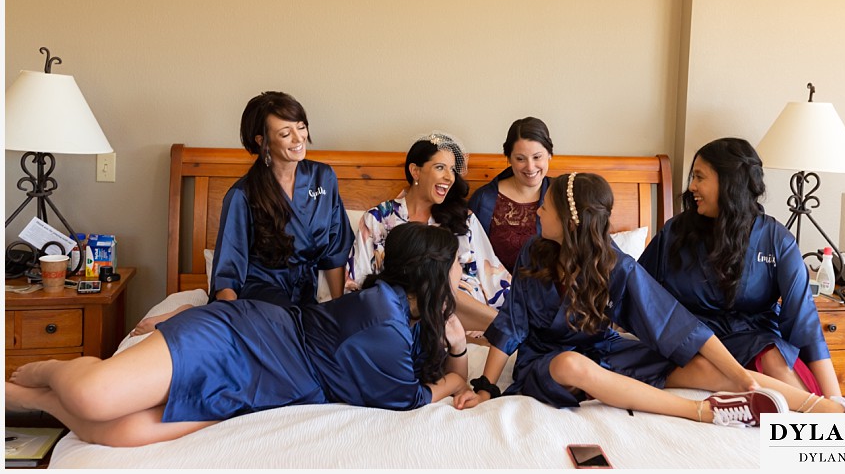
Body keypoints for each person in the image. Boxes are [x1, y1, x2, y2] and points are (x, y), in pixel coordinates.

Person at [6, 223, 472, 447]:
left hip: (270, 385)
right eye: (456, 265)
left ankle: (37, 399)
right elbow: (411, 397)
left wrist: (456, 347)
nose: (462, 274)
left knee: (120, 432)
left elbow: (442, 371)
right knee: (95, 398)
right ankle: (51, 369)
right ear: (431, 274)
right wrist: (453, 381)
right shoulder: (384, 317)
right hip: (243, 337)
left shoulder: (407, 315)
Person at [454, 173, 845, 425]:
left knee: (704, 369)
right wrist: (488, 384)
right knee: (570, 363)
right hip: (548, 364)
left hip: (608, 354)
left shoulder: (618, 268)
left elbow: (680, 326)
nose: (537, 212)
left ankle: (821, 409)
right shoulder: (533, 253)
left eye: (545, 207)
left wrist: (744, 379)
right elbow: (512, 325)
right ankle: (702, 412)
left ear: (570, 220)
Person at [638, 137, 845, 411]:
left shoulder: (777, 240)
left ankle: (829, 418)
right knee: (702, 363)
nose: (691, 186)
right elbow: (637, 293)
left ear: (730, 183)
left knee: (775, 358)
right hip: (695, 342)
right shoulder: (675, 233)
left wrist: (835, 395)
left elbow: (804, 323)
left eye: (699, 177)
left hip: (755, 338)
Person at [131, 91, 354, 335]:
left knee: (324, 332)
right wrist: (223, 309)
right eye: (284, 133)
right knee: (287, 331)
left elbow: (335, 250)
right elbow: (229, 269)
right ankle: (191, 314)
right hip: (262, 289)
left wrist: (337, 308)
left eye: (301, 127)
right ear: (262, 141)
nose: (298, 138)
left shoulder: (324, 177)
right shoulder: (243, 195)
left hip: (303, 292)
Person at [348, 131, 511, 333]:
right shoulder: (377, 220)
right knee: (435, 289)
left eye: (452, 169)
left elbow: (493, 275)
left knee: (449, 292)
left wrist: (515, 311)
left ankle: (503, 328)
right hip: (408, 313)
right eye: (440, 167)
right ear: (415, 171)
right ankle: (505, 329)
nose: (449, 177)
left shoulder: (464, 219)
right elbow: (357, 283)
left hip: (467, 313)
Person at [468, 117, 553, 272]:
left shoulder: (564, 196)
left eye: (537, 157)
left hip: (550, 292)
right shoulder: (484, 199)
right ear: (509, 159)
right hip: (496, 292)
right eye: (520, 159)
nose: (530, 167)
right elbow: (468, 254)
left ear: (549, 154)